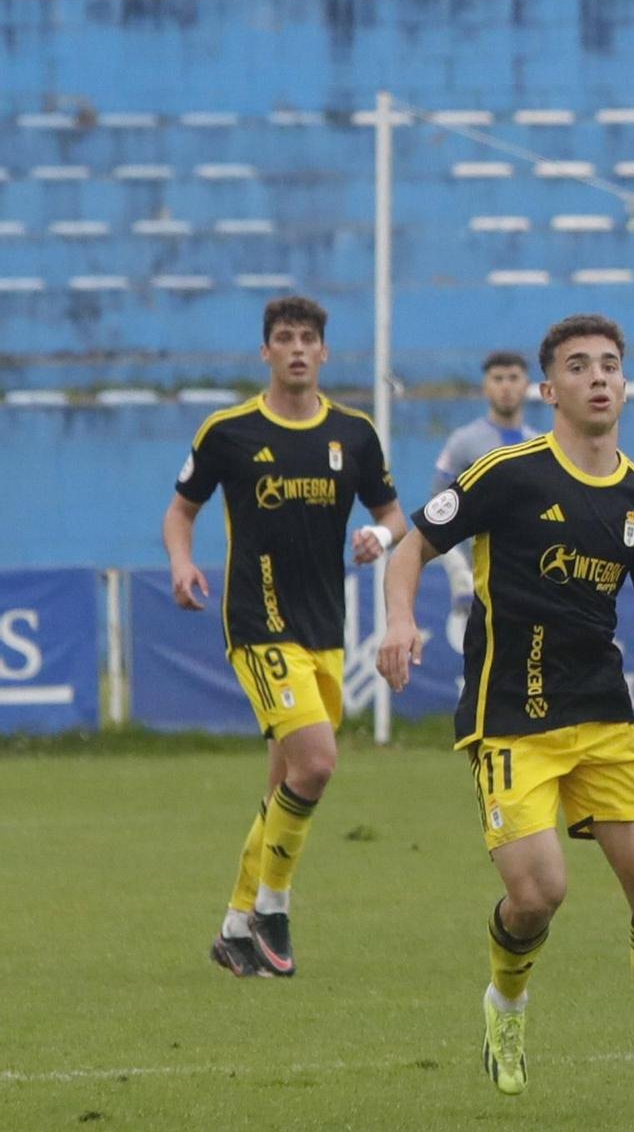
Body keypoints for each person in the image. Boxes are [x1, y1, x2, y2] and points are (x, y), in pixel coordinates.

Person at [376, 314, 634, 1121]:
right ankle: (507, 1006)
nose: (599, 377)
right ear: (548, 389)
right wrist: (399, 621)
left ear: (625, 384)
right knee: (538, 894)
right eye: (580, 366)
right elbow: (412, 545)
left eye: (611, 365)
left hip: (604, 716)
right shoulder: (507, 474)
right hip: (510, 716)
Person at [162, 294, 404, 980]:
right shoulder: (229, 432)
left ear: (324, 353)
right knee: (319, 764)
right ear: (265, 352)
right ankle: (272, 906)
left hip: (325, 628)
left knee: (287, 783)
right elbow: (181, 512)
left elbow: (395, 515)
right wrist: (182, 563)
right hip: (256, 622)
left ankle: (236, 928)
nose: (297, 348)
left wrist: (377, 536)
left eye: (308, 339)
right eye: (284, 338)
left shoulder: (354, 435)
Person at [432, 352, 537, 653]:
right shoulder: (463, 443)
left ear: (527, 384)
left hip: (531, 583)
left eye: (513, 378)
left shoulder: (540, 444)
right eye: (498, 378)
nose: (506, 386)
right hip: (481, 581)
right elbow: (438, 513)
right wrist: (458, 573)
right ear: (485, 386)